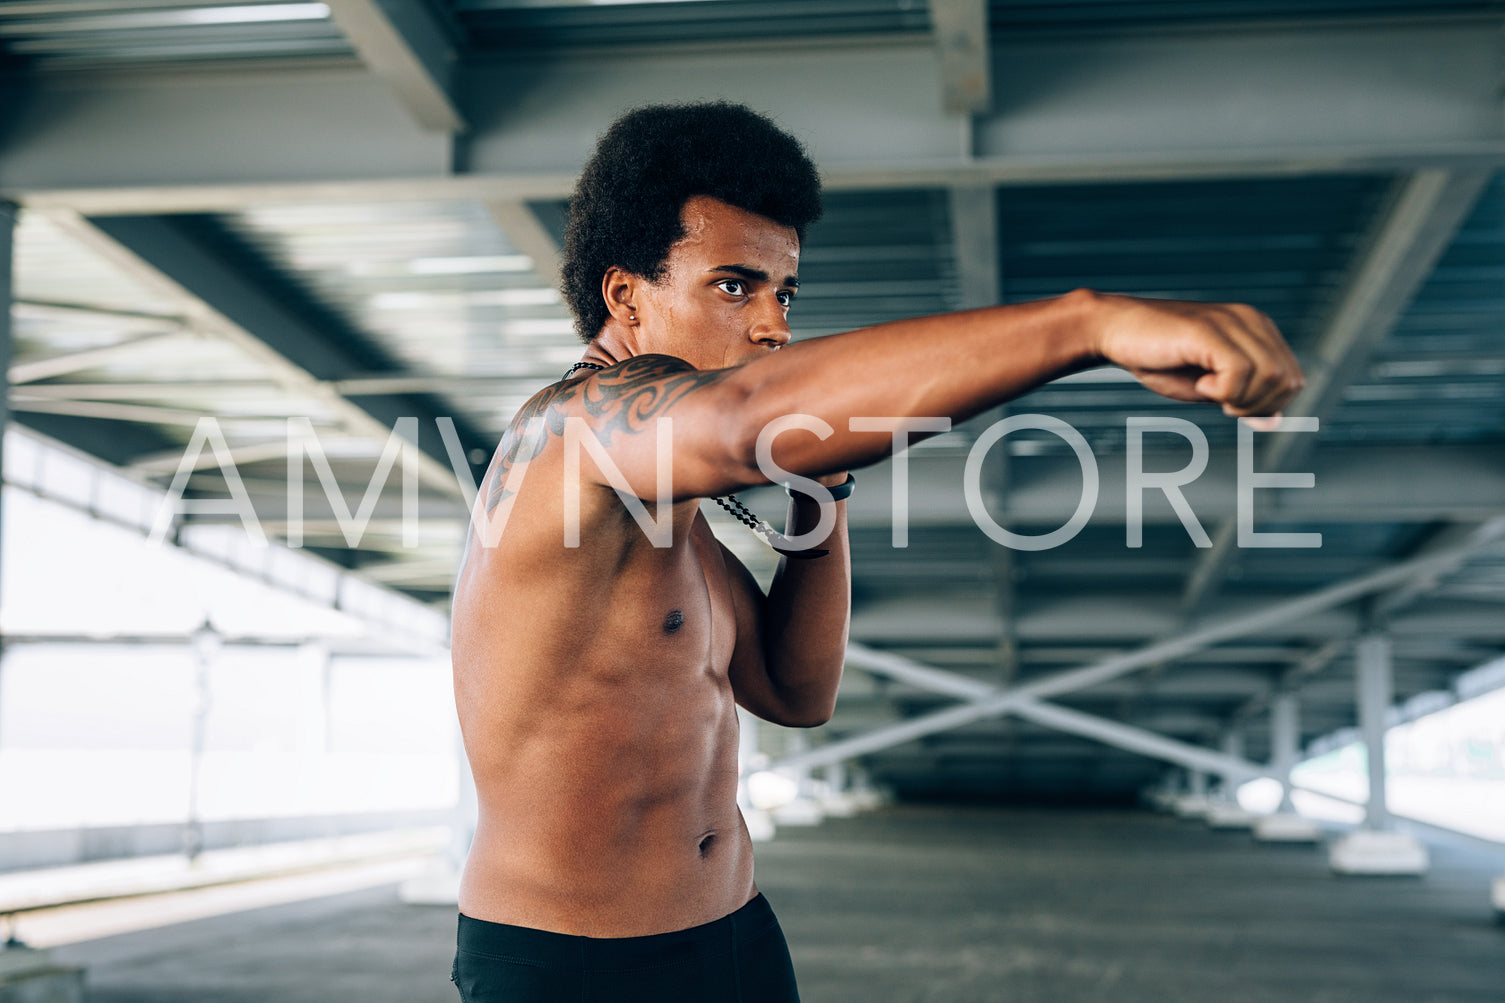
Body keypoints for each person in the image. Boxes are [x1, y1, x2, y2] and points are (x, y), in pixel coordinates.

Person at [448, 102, 1302, 1002]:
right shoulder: (570, 428)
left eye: (784, 294)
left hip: (730, 932)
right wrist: (1087, 325)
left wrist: (824, 485)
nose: (773, 325)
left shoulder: (676, 525)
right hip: (575, 966)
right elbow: (742, 418)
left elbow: (794, 690)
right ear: (625, 296)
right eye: (733, 287)